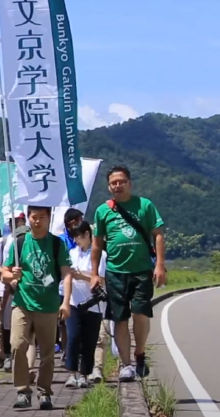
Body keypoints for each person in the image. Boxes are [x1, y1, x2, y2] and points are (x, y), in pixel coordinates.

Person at [91, 165, 166, 382]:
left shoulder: (145, 205)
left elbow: (158, 235)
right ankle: (126, 365)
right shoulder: (103, 211)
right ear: (109, 186)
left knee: (140, 313)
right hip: (115, 272)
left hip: (142, 270)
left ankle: (140, 352)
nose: (118, 185)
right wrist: (95, 273)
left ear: (129, 183)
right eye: (114, 182)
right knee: (120, 318)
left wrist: (160, 265)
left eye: (122, 181)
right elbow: (97, 245)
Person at [2, 205, 73, 410]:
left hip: (48, 306)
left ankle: (44, 392)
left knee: (48, 353)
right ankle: (23, 390)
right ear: (28, 218)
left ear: (49, 218)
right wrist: (11, 275)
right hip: (23, 303)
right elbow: (4, 273)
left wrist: (66, 301)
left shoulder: (57, 244)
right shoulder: (20, 243)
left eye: (42, 217)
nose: (37, 221)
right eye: (34, 217)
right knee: (17, 345)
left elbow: (66, 273)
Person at [64, 220, 107, 389]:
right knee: (73, 338)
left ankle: (85, 375)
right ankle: (72, 373)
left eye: (79, 237)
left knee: (89, 340)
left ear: (88, 235)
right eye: (74, 237)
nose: (76, 241)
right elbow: (67, 275)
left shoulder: (100, 255)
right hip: (74, 302)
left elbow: (101, 280)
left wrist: (83, 276)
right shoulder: (72, 253)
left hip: (93, 304)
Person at [0, 212, 28, 370]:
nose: (14, 224)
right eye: (11, 221)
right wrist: (8, 276)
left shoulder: (29, 240)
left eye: (17, 221)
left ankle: (21, 356)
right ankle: (5, 355)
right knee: (4, 322)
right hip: (5, 287)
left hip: (25, 286)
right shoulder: (3, 241)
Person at [58, 208, 84, 361]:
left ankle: (77, 349)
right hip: (63, 284)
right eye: (77, 220)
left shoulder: (85, 236)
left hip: (82, 285)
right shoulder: (61, 240)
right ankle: (68, 349)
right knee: (64, 321)